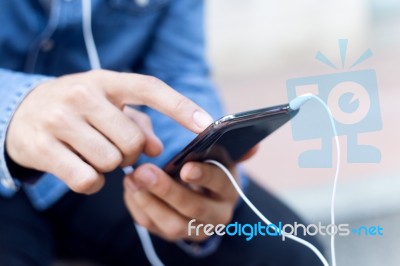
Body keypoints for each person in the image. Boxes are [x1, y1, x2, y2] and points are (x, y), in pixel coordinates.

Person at [0, 1, 323, 265]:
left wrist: (191, 168)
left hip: (104, 154)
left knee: (292, 253)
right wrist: (17, 105)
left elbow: (178, 70)